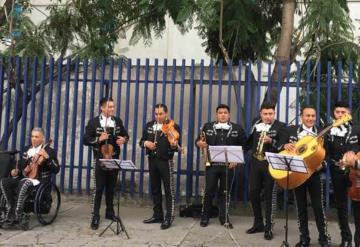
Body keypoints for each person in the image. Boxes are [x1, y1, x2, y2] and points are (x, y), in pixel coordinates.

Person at [278, 105, 330, 247]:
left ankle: (324, 238)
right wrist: (284, 145)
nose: (310, 118)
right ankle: (304, 238)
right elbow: (279, 144)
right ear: (302, 117)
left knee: (318, 207)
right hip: (296, 173)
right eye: (307, 115)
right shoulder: (291, 130)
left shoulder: (321, 132)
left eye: (313, 116)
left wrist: (322, 165)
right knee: (300, 207)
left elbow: (328, 153)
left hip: (314, 174)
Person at [195, 104, 246, 228]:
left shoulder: (237, 128)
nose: (223, 115)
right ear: (216, 114)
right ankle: (205, 217)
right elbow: (198, 142)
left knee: (225, 192)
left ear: (229, 115)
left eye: (225, 112)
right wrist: (199, 143)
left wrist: (236, 160)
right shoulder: (207, 126)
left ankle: (224, 218)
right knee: (209, 191)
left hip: (228, 166)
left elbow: (244, 145)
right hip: (211, 165)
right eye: (220, 112)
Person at [83, 97, 129, 230]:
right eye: (109, 107)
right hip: (100, 158)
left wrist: (124, 140)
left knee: (111, 187)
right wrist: (99, 139)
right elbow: (86, 140)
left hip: (114, 158)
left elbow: (125, 135)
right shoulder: (93, 122)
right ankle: (95, 216)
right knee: (98, 188)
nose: (112, 109)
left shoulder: (117, 121)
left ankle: (110, 212)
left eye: (113, 106)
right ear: (102, 108)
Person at [0, 128, 59, 224]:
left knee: (25, 182)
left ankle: (18, 212)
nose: (34, 139)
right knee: (4, 181)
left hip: (40, 180)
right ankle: (11, 207)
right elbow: (21, 166)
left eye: (36, 136)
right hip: (26, 177)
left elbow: (56, 169)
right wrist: (16, 171)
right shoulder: (26, 149)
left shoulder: (49, 151)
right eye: (32, 136)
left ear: (42, 138)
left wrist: (47, 157)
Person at [246, 102, 286, 240]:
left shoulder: (281, 126)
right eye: (265, 114)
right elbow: (249, 141)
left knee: (270, 196)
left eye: (270, 114)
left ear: (274, 114)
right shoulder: (255, 124)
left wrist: (271, 141)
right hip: (256, 163)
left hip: (271, 164)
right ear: (260, 114)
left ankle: (269, 228)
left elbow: (283, 147)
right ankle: (258, 223)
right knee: (253, 193)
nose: (267, 116)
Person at [139, 103, 181, 230]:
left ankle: (169, 217)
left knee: (169, 190)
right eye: (156, 114)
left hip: (165, 161)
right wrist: (146, 143)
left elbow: (178, 147)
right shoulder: (149, 125)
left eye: (161, 114)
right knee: (155, 189)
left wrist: (174, 145)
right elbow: (141, 142)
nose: (158, 116)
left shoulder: (173, 126)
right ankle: (158, 215)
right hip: (152, 160)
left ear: (166, 113)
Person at [325, 101, 360, 247]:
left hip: (356, 172)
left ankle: (358, 240)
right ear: (334, 113)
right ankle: (345, 238)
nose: (340, 115)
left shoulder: (357, 129)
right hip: (337, 171)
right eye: (338, 112)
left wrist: (355, 155)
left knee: (358, 206)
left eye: (343, 112)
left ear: (349, 113)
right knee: (341, 205)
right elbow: (325, 152)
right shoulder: (328, 131)